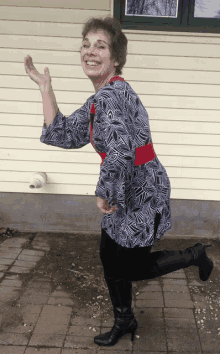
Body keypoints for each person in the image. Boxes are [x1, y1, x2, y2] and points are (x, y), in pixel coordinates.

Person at [24, 16, 214, 348]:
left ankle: (193, 254)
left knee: (131, 265)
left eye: (100, 46)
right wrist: (45, 88)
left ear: (115, 58)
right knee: (109, 256)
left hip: (141, 191)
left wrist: (105, 191)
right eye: (85, 44)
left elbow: (122, 149)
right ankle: (125, 319)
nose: (90, 51)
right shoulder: (102, 96)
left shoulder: (113, 96)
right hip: (124, 185)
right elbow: (65, 134)